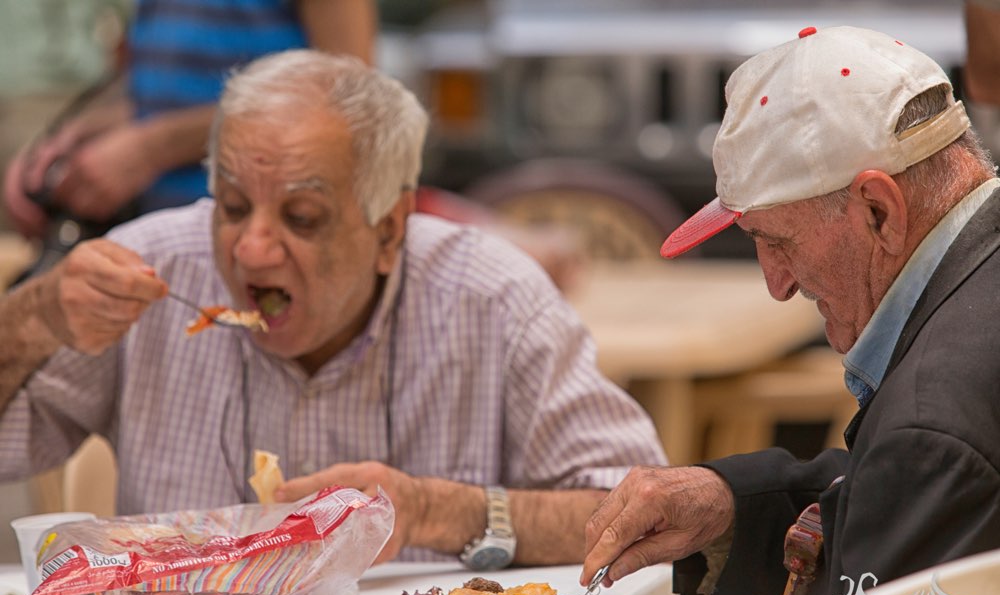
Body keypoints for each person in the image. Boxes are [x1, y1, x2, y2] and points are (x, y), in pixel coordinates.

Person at [0, 50, 667, 567]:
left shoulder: (491, 298)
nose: (253, 251)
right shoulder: (148, 270)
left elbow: (640, 515)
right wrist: (29, 319)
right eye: (232, 208)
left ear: (388, 229)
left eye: (303, 217)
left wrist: (439, 511)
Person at [580, 25, 1000, 595]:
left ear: (879, 211)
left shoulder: (931, 425)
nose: (777, 285)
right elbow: (912, 494)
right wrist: (733, 506)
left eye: (776, 242)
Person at [2, 0, 377, 239]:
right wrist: (70, 141)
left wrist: (150, 149)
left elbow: (344, 97)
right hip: (167, 233)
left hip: (259, 239)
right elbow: (167, 89)